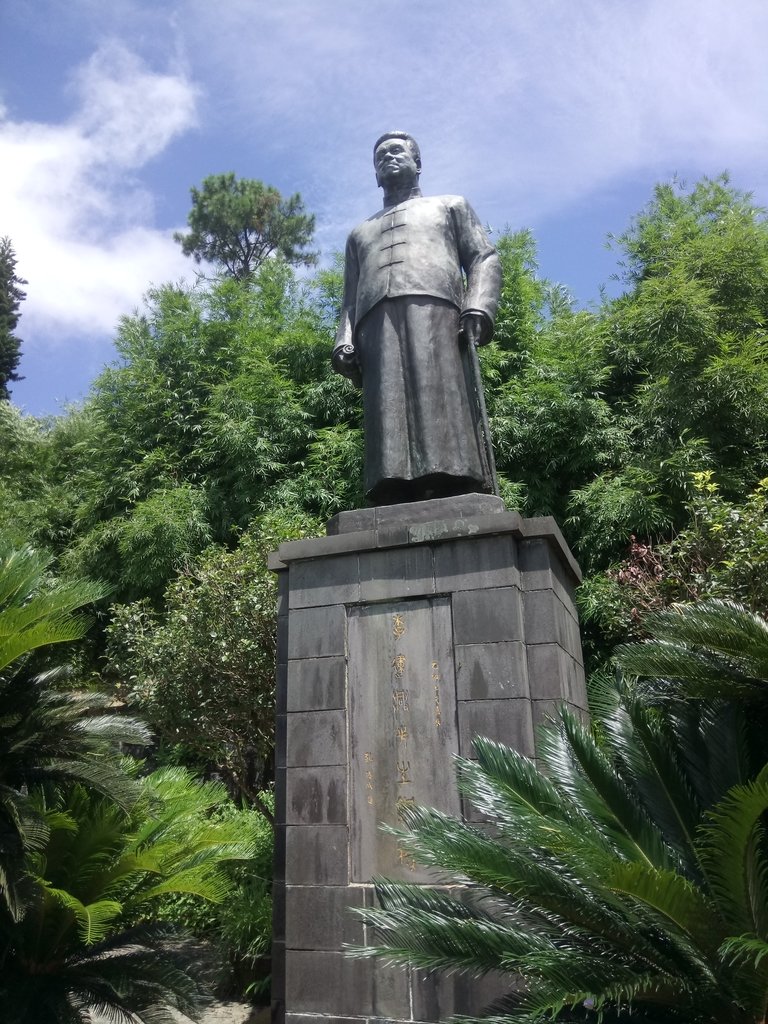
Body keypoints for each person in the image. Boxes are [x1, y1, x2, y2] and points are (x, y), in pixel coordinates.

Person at [332, 131, 501, 505]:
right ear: (375, 175)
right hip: (374, 323)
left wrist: (478, 305)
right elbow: (348, 299)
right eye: (380, 157)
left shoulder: (450, 206)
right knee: (385, 402)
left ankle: (452, 477)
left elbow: (483, 258)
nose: (387, 159)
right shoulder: (359, 235)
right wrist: (344, 339)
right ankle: (391, 483)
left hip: (437, 309)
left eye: (396, 151)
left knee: (439, 390)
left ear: (418, 163)